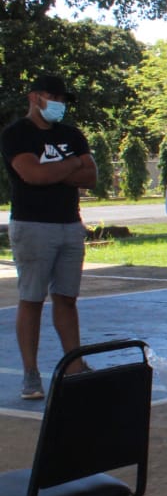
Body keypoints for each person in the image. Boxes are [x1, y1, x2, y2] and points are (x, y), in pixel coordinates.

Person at [2, 75, 98, 400]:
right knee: (32, 299)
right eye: (53, 97)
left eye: (62, 98)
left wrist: (57, 171)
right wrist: (72, 164)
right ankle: (31, 374)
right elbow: (33, 175)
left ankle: (75, 365)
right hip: (32, 226)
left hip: (70, 225)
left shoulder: (72, 134)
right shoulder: (17, 134)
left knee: (67, 298)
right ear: (35, 97)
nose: (59, 103)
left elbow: (92, 176)